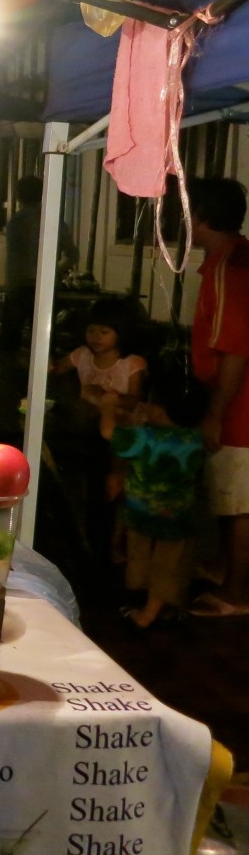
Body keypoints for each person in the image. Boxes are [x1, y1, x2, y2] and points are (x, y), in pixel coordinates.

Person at [99, 372, 208, 628]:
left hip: (139, 513)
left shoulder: (144, 438)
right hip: (178, 516)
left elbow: (108, 432)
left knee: (141, 557)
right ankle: (163, 607)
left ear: (159, 411)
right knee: (169, 565)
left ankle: (146, 614)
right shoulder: (195, 438)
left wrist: (108, 407)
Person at [187, 176, 249, 617]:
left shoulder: (231, 266)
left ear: (202, 216)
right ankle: (228, 571)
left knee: (239, 502)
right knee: (231, 496)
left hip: (241, 406)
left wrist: (215, 414)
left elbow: (234, 348)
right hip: (235, 400)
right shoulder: (230, 258)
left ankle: (237, 594)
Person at [0, 175, 79, 358]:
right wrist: (55, 271)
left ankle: (11, 372)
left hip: (19, 286)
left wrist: (7, 287)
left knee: (10, 340)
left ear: (19, 196)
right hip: (45, 285)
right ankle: (44, 371)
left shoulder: (16, 222)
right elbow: (73, 254)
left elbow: (15, 260)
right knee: (44, 337)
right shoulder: (54, 221)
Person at [52, 297, 147, 410]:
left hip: (116, 419)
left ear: (122, 332)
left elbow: (135, 402)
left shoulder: (132, 364)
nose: (95, 337)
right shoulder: (83, 354)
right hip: (85, 417)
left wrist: (111, 398)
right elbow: (55, 368)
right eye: (90, 331)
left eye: (104, 332)